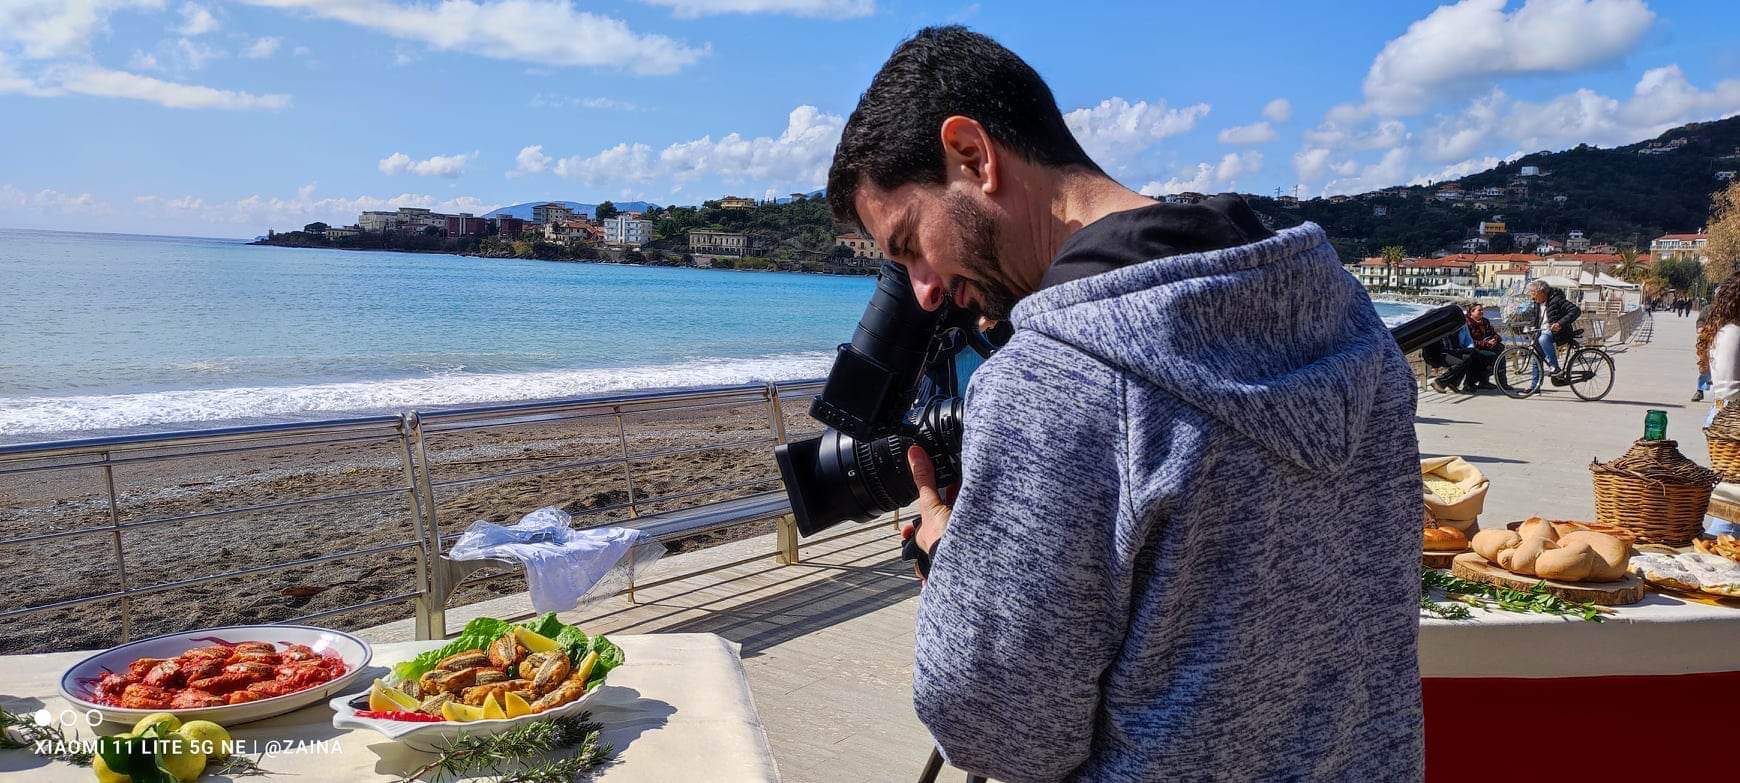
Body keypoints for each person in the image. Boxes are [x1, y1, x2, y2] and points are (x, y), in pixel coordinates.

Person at [827, 26, 1423, 781]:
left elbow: (994, 730)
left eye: (911, 243)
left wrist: (956, 563)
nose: (923, 290)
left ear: (973, 157)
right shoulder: (1345, 317)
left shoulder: (1057, 376)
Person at [1526, 280, 1581, 381]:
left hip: (1560, 332)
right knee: (1536, 356)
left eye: (1533, 294)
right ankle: (1534, 387)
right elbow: (1536, 319)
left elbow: (1575, 310)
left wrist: (1559, 323)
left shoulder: (1557, 300)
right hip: (1543, 331)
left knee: (1543, 339)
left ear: (1542, 292)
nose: (1532, 297)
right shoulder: (1537, 303)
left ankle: (1555, 368)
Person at [1464, 302, 1502, 390]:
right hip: (1473, 348)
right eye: (1479, 310)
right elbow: (1469, 341)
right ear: (1471, 312)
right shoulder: (1467, 323)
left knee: (1500, 349)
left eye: (1482, 310)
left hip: (1485, 346)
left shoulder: (1485, 321)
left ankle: (1486, 382)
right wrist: (1486, 343)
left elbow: (1494, 334)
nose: (1482, 312)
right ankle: (1470, 383)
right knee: (1489, 357)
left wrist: (1494, 340)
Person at [1695, 309, 1715, 402]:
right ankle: (1700, 390)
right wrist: (1700, 327)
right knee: (1705, 366)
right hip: (1709, 340)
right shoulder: (1709, 308)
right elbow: (1701, 320)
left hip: (1727, 342)